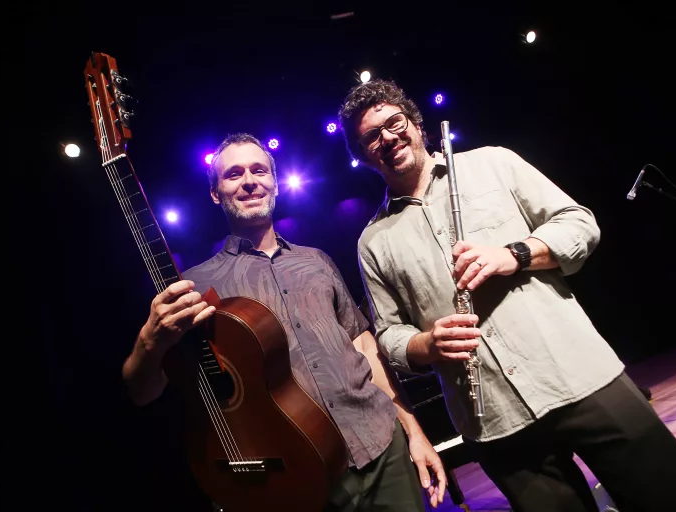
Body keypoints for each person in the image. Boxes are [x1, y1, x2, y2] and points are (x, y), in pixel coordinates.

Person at [338, 79, 676, 512]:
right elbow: (388, 335)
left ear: (416, 124)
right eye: (371, 136)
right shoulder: (373, 242)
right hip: (495, 420)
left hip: (577, 374)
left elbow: (578, 223)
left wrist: (514, 254)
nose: (387, 138)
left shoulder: (493, 164)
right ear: (363, 155)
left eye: (394, 123)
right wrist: (427, 343)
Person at [121, 132, 447, 511]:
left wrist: (413, 429)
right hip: (298, 474)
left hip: (381, 447)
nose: (249, 181)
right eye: (234, 174)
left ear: (274, 183)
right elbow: (141, 391)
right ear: (215, 193)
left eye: (259, 170)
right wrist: (150, 340)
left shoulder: (317, 260)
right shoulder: (193, 287)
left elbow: (363, 346)